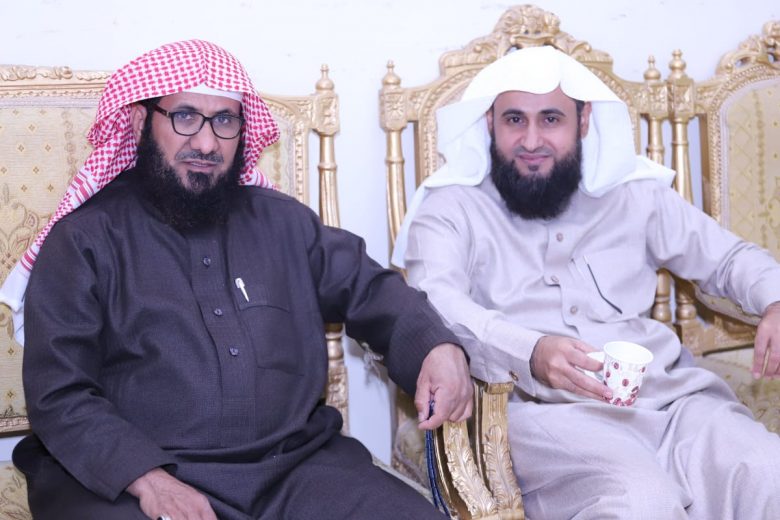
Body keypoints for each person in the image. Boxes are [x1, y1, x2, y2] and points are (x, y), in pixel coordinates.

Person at [0, 40, 472, 520]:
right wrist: (148, 480)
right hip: (137, 475)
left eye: (224, 120)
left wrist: (437, 347)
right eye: (185, 117)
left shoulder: (284, 222)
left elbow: (371, 288)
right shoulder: (85, 239)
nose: (207, 143)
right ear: (141, 122)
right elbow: (60, 393)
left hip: (293, 469)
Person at [397, 45, 780, 519]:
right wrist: (531, 351)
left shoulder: (633, 193)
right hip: (541, 414)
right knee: (641, 502)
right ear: (489, 122)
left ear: (583, 121)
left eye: (550, 119)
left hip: (671, 400)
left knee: (768, 471)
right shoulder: (451, 208)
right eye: (514, 120)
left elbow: (728, 258)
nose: (531, 140)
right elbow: (435, 302)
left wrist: (774, 299)